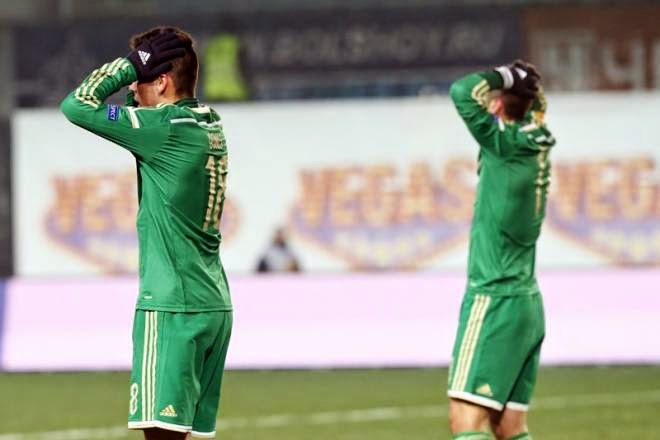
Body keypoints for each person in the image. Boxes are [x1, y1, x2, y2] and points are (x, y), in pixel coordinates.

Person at [61, 27, 233, 440]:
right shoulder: (208, 124)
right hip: (212, 302)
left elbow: (77, 106)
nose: (133, 88)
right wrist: (137, 88)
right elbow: (137, 126)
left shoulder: (163, 128)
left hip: (171, 305)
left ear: (162, 81)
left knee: (160, 436)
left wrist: (127, 66)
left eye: (141, 79)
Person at [446, 60, 556, 440]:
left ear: (495, 106)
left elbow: (462, 91)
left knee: (466, 421)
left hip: (494, 299)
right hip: (527, 303)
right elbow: (532, 107)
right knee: (509, 426)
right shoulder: (536, 140)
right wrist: (523, 87)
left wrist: (506, 76)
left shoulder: (504, 145)